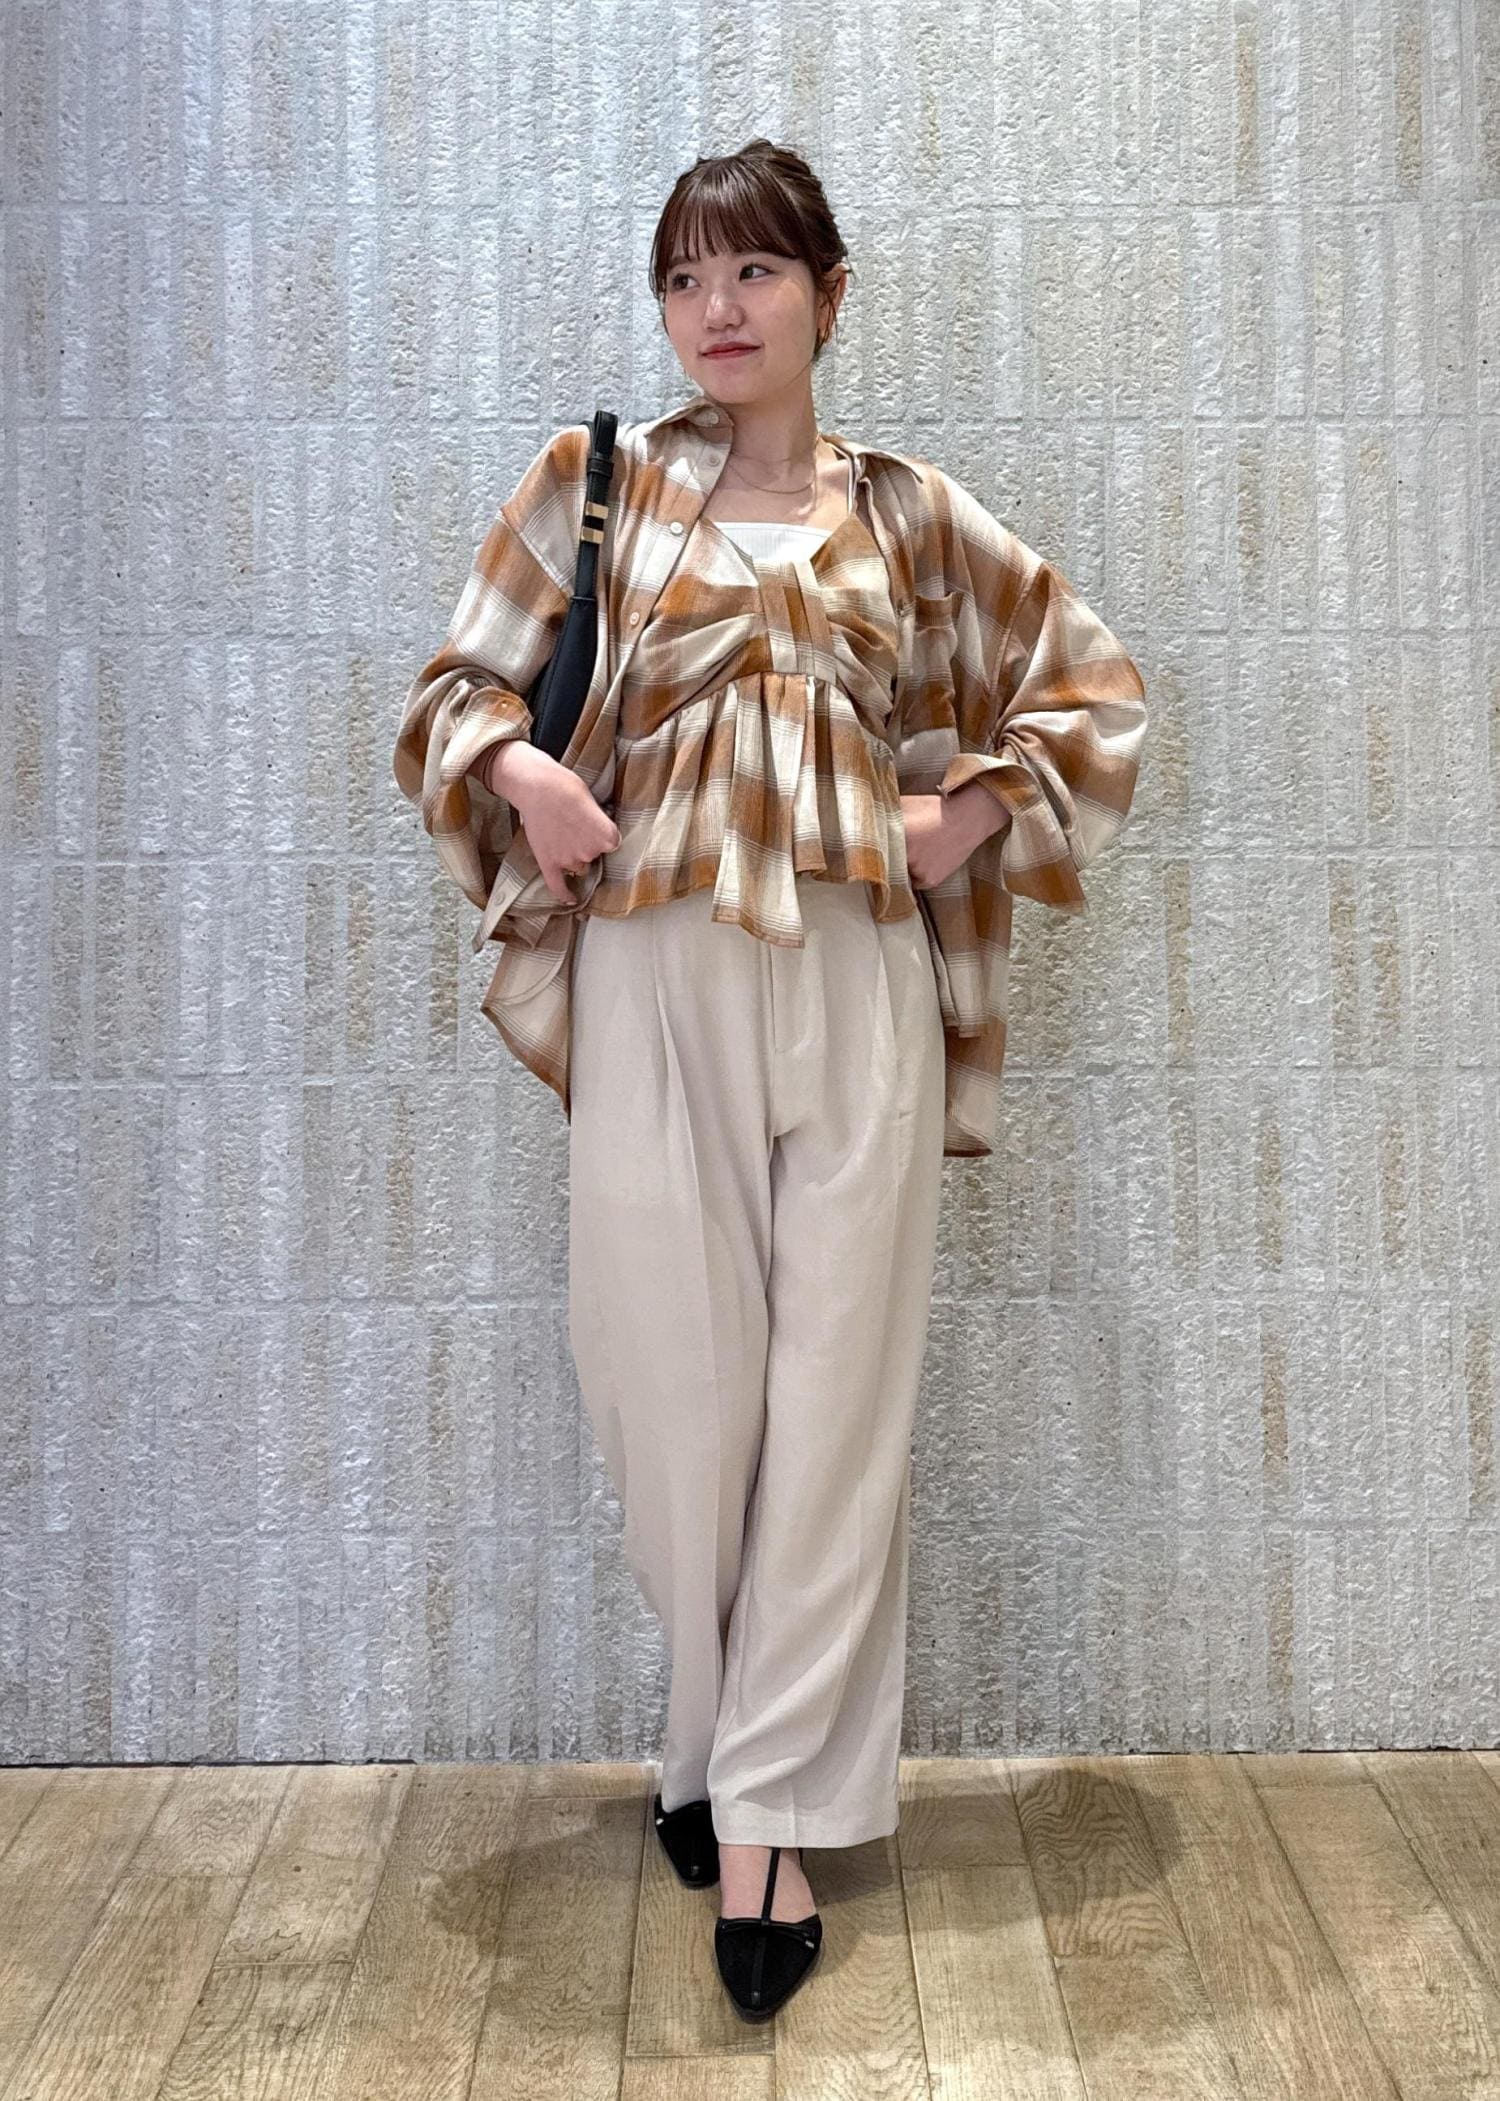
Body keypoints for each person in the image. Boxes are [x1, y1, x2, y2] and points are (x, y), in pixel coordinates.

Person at [393, 137, 1149, 2020]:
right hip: (653, 972)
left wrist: (967, 810)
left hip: (857, 979)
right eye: (684, 277)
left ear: (827, 292)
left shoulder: (907, 515)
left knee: (834, 1403)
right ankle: (719, 1741)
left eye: (752, 271)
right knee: (670, 1393)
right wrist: (527, 774)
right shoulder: (599, 487)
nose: (716, 310)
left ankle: (767, 1831)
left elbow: (1093, 690)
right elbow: (447, 696)